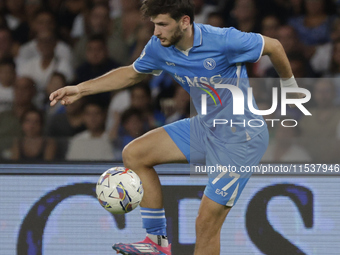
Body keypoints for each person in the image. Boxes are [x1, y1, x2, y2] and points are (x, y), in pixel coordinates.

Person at [49, 1, 303, 254]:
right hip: (206, 128)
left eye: (162, 24)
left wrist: (290, 87)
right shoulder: (159, 47)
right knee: (135, 153)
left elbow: (274, 46)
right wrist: (80, 89)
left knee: (206, 224)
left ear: (184, 21)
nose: (156, 31)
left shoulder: (225, 40)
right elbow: (131, 73)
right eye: (154, 25)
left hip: (240, 139)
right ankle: (156, 243)